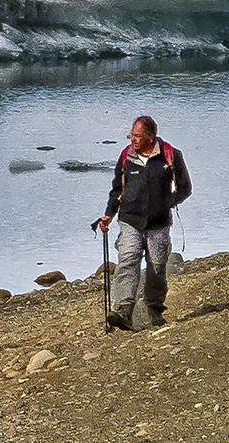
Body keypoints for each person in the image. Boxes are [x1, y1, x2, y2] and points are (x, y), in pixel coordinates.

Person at [91, 114, 192, 331]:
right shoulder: (127, 156)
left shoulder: (170, 155)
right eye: (131, 135)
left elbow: (185, 188)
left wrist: (169, 202)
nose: (132, 139)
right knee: (128, 261)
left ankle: (154, 308)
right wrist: (108, 214)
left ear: (150, 136)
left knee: (157, 267)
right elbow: (117, 188)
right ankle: (123, 311)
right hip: (129, 220)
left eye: (137, 136)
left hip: (159, 223)